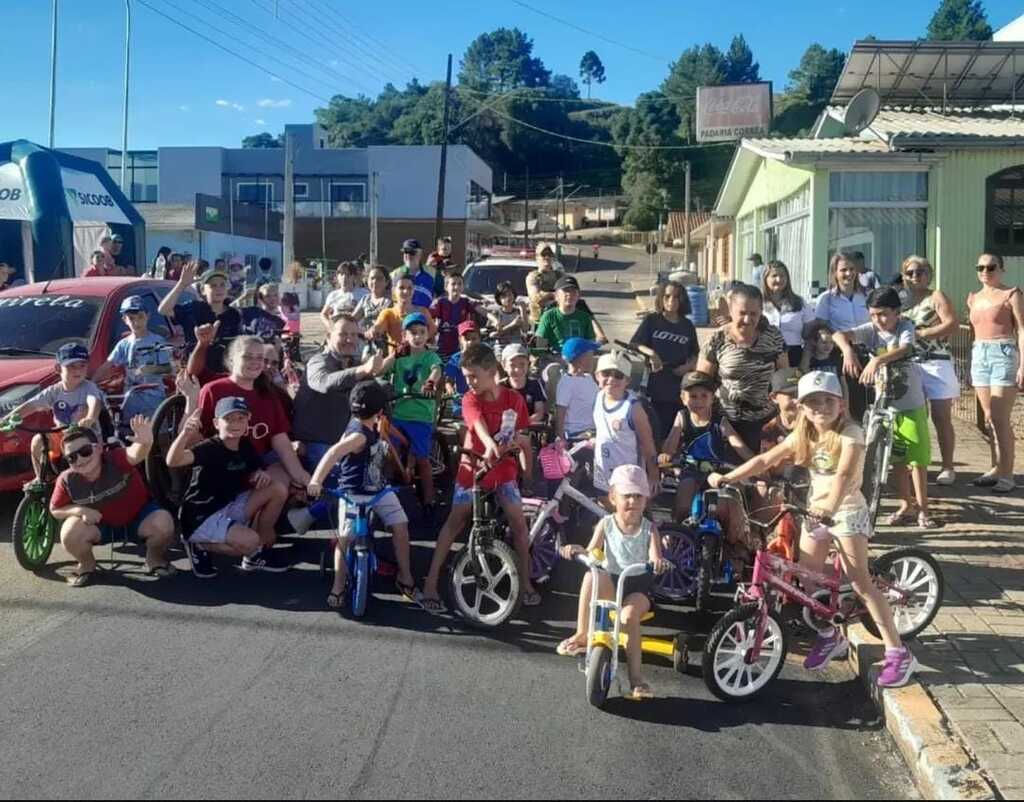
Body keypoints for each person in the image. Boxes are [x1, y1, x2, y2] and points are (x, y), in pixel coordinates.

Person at [709, 371, 919, 689]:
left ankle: (897, 652)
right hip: (814, 512)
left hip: (846, 513)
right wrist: (728, 478)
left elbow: (845, 475)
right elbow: (765, 459)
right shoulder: (803, 433)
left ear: (841, 404)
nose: (820, 406)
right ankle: (829, 634)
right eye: (812, 402)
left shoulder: (851, 433)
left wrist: (830, 508)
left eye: (827, 400)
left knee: (862, 583)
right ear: (802, 407)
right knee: (808, 580)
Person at [420, 344, 538, 612]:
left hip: (504, 472)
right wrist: (488, 445)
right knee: (455, 520)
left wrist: (525, 470)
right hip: (472, 469)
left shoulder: (514, 400)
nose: (469, 382)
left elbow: (521, 437)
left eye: (473, 376)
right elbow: (477, 425)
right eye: (466, 376)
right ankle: (431, 581)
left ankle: (527, 581)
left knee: (519, 524)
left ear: (492, 371)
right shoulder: (469, 399)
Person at [557, 464, 670, 700]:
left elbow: (654, 556)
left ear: (645, 501)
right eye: (626, 495)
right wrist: (577, 550)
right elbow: (592, 552)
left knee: (627, 618)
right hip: (612, 581)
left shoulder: (649, 530)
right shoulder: (606, 524)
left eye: (638, 496)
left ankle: (636, 679)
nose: (632, 501)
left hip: (637, 588)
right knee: (592, 574)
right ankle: (582, 634)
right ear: (613, 497)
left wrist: (657, 561)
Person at [308, 380, 418, 608]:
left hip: (378, 490)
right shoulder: (359, 435)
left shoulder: (370, 424)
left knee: (400, 524)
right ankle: (338, 586)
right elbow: (333, 452)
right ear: (379, 410)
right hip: (354, 493)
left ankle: (404, 575)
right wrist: (316, 480)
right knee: (344, 539)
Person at [834, 287, 937, 529]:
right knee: (897, 460)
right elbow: (839, 334)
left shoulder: (905, 327)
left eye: (882, 314)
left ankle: (923, 509)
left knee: (917, 460)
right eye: (872, 315)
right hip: (884, 404)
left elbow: (906, 348)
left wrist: (878, 359)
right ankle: (905, 505)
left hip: (910, 403)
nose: (877, 320)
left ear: (897, 312)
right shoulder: (871, 330)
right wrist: (848, 350)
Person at [191, 337, 310, 544]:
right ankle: (228, 535)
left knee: (283, 478)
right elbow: (199, 440)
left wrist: (302, 476)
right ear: (231, 360)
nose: (256, 362)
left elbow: (280, 440)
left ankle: (260, 540)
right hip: (223, 473)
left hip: (256, 469)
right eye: (248, 356)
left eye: (260, 358)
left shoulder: (268, 395)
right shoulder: (213, 390)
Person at [167, 399, 289, 578]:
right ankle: (197, 544)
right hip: (201, 514)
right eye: (229, 419)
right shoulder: (209, 447)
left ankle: (257, 552)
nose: (236, 424)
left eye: (241, 418)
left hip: (229, 505)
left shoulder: (245, 444)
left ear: (248, 421)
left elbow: (256, 468)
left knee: (277, 488)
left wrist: (260, 473)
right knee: (249, 541)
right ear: (217, 423)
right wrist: (185, 434)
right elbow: (173, 461)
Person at [49, 419, 176, 587]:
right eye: (72, 457)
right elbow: (55, 509)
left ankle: (154, 559)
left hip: (139, 519)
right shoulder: (66, 479)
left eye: (85, 451)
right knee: (69, 532)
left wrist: (145, 441)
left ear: (99, 448)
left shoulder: (115, 458)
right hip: (100, 526)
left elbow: (136, 453)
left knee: (163, 522)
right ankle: (86, 564)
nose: (79, 459)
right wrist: (80, 510)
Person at [288, 315, 383, 534]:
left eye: (353, 335)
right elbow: (324, 383)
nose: (349, 339)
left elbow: (372, 387)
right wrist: (362, 371)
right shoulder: (318, 362)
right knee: (347, 490)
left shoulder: (354, 362)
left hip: (342, 441)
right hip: (315, 442)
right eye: (343, 334)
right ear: (329, 336)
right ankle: (306, 516)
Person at [697, 283, 788, 455]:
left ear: (761, 311)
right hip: (727, 422)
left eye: (753, 314)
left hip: (765, 421)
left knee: (765, 474)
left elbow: (784, 378)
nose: (747, 319)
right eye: (742, 313)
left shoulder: (773, 336)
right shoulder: (716, 339)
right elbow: (701, 382)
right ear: (731, 311)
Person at [2, 344, 105, 483]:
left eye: (82, 365)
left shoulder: (88, 387)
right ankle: (40, 478)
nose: (78, 370)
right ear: (58, 369)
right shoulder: (54, 391)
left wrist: (90, 417)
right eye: (72, 366)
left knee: (85, 463)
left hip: (87, 435)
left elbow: (94, 402)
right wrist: (7, 420)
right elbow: (30, 406)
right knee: (38, 440)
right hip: (63, 435)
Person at [899, 256, 960, 486]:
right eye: (911, 272)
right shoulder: (900, 300)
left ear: (929, 274)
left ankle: (947, 466)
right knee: (914, 416)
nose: (916, 276)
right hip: (909, 362)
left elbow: (952, 324)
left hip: (936, 362)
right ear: (904, 275)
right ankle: (915, 464)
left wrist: (922, 334)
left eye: (921, 271)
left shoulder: (936, 296)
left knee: (941, 417)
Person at [660, 370, 751, 521]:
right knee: (683, 505)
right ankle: (678, 534)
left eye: (704, 396)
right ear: (683, 398)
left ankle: (732, 539)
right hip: (690, 468)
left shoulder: (719, 421)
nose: (699, 401)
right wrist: (666, 455)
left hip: (715, 471)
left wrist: (756, 463)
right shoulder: (682, 417)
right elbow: (670, 444)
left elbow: (739, 447)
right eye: (693, 396)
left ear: (712, 398)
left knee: (725, 507)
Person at [968, 252, 1024, 494]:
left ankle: (1007, 474)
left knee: (1001, 418)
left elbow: (1021, 329)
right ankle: (996, 467)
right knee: (989, 417)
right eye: (980, 267)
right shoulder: (973, 298)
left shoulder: (1011, 294)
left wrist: (1023, 364)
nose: (985, 272)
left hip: (1003, 352)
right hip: (979, 354)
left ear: (1001, 269)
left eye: (991, 267)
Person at [381, 313, 443, 509]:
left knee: (423, 460)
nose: (417, 337)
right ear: (404, 336)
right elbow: (381, 370)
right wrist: (394, 355)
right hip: (399, 413)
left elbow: (436, 369)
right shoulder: (400, 357)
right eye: (413, 333)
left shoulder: (429, 356)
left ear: (427, 335)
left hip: (420, 415)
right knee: (390, 454)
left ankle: (429, 499)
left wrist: (431, 381)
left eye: (422, 332)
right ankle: (387, 494)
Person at [629, 281, 699, 443]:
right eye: (667, 296)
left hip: (678, 387)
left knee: (675, 432)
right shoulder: (652, 320)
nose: (671, 300)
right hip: (655, 384)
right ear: (661, 298)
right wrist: (652, 354)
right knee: (655, 431)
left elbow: (696, 353)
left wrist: (687, 367)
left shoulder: (687, 326)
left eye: (676, 297)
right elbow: (635, 344)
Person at [93, 296, 171, 422]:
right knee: (128, 432)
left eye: (140, 317)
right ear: (124, 319)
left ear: (148, 316)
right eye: (131, 318)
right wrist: (92, 383)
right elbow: (108, 365)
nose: (136, 322)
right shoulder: (124, 344)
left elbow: (168, 368)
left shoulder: (158, 341)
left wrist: (148, 370)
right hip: (130, 399)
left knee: (155, 434)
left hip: (153, 398)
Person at [592, 350, 659, 498]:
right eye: (606, 373)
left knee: (629, 514)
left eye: (618, 375)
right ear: (597, 376)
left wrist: (653, 475)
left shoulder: (633, 408)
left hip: (628, 475)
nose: (611, 379)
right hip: (603, 471)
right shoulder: (598, 397)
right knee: (604, 510)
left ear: (627, 381)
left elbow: (648, 444)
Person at [158, 260, 243, 376]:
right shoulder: (193, 308)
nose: (219, 289)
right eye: (213, 285)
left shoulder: (234, 314)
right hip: (195, 372)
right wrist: (182, 284)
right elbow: (163, 310)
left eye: (222, 285)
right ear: (203, 290)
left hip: (225, 374)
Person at [816, 252, 870, 420]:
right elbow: (821, 327)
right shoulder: (826, 299)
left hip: (866, 353)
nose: (848, 273)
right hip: (840, 354)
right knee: (847, 403)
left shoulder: (867, 296)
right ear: (835, 273)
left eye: (852, 269)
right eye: (843, 270)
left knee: (867, 404)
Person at [761, 260, 816, 368]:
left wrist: (805, 360)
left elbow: (810, 335)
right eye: (774, 276)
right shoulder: (758, 303)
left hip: (794, 355)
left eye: (782, 276)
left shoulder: (799, 302)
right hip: (764, 356)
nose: (779, 279)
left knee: (791, 385)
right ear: (765, 279)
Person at [535, 275, 607, 352]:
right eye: (566, 290)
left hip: (579, 359)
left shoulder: (584, 317)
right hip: (556, 358)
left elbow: (590, 344)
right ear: (556, 296)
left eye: (573, 291)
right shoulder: (549, 316)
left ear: (578, 295)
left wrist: (599, 340)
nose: (569, 294)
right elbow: (540, 346)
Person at [369, 271, 436, 350]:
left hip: (419, 359)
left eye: (409, 288)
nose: (405, 291)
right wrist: (373, 331)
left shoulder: (423, 311)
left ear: (414, 290)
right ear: (394, 290)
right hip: (396, 359)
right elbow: (378, 327)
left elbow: (432, 332)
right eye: (401, 288)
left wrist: (417, 342)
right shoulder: (388, 313)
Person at [554, 337, 600, 441]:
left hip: (593, 431)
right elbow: (560, 412)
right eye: (591, 355)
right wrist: (561, 439)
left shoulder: (589, 378)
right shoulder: (566, 383)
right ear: (581, 359)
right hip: (575, 435)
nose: (594, 359)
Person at [430, 270, 479, 361]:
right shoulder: (439, 303)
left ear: (463, 287)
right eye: (453, 284)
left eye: (460, 284)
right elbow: (427, 315)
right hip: (442, 347)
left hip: (460, 348)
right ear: (446, 287)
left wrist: (494, 319)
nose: (456, 287)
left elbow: (483, 311)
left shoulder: (466, 302)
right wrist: (432, 329)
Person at [501, 343, 547, 425]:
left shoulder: (535, 384)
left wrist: (523, 423)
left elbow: (539, 412)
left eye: (522, 364)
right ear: (504, 365)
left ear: (528, 364)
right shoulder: (500, 386)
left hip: (529, 427)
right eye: (512, 365)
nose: (517, 369)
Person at [443, 320, 484, 404]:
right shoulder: (456, 359)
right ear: (460, 340)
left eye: (474, 338)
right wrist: (450, 389)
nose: (471, 342)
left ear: (479, 339)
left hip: (482, 401)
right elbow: (448, 380)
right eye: (467, 339)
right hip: (461, 402)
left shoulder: (486, 356)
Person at [321, 262, 369, 329]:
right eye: (341, 274)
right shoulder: (333, 295)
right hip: (339, 334)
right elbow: (323, 314)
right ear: (337, 276)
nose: (344, 277)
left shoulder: (364, 293)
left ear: (354, 277)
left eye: (348, 275)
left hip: (357, 335)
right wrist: (330, 327)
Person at [526, 242, 564, 325]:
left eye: (549, 255)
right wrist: (555, 295)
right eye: (543, 255)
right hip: (540, 321)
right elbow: (536, 298)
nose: (547, 257)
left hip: (558, 320)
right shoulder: (533, 277)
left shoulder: (559, 275)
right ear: (537, 257)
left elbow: (569, 292)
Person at [390, 239, 435, 308]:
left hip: (425, 316)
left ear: (420, 254)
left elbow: (443, 292)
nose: (408, 255)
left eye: (412, 252)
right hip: (402, 316)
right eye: (405, 252)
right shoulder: (394, 274)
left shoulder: (433, 273)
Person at [488, 281, 529, 349]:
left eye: (510, 294)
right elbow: (492, 335)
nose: (508, 298)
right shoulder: (495, 313)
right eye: (504, 296)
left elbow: (525, 329)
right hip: (501, 346)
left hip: (517, 346)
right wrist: (512, 325)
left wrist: (523, 310)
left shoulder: (518, 312)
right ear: (499, 299)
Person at [353, 265, 392, 334]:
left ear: (387, 282)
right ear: (367, 281)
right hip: (365, 339)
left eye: (379, 279)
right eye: (372, 278)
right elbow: (353, 319)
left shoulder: (389, 300)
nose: (375, 281)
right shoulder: (365, 299)